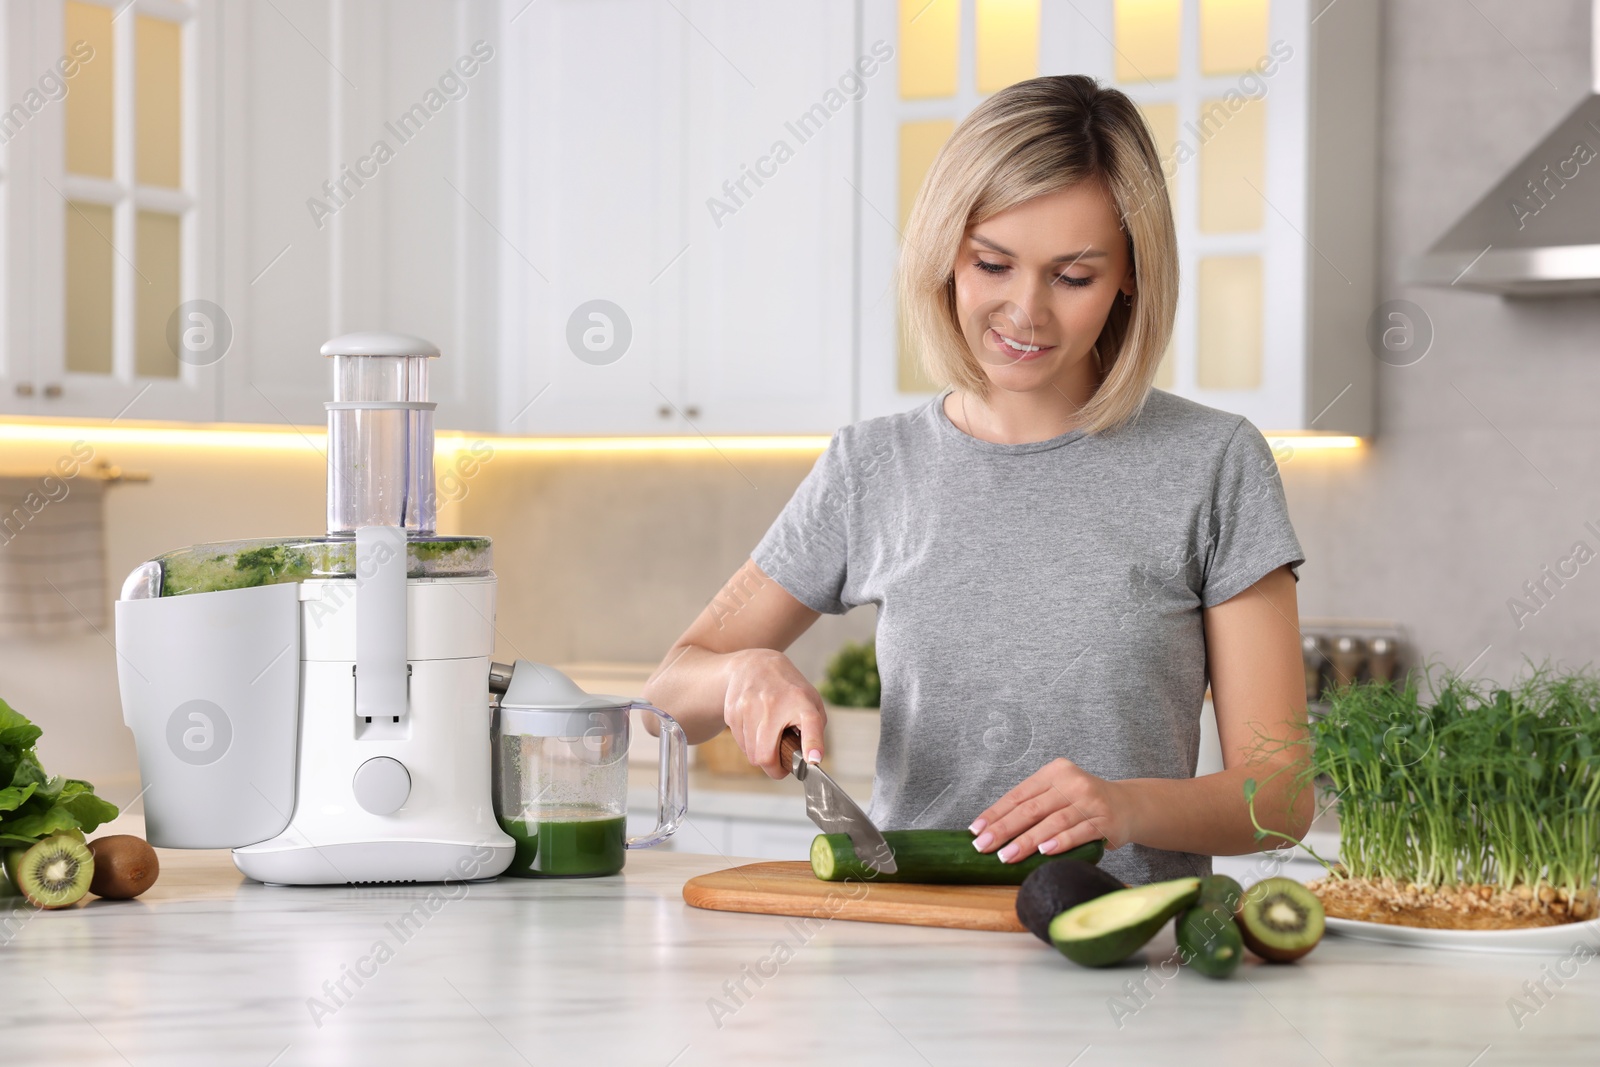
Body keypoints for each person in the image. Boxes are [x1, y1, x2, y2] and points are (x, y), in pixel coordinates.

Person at [642, 75, 1311, 884]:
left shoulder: (1214, 463)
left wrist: (1126, 807)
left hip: (1122, 958)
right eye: (992, 263)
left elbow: (1279, 798)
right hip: (910, 956)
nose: (1025, 312)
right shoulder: (871, 468)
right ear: (946, 257)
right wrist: (740, 672)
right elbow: (667, 698)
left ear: (1132, 275)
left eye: (1073, 277)